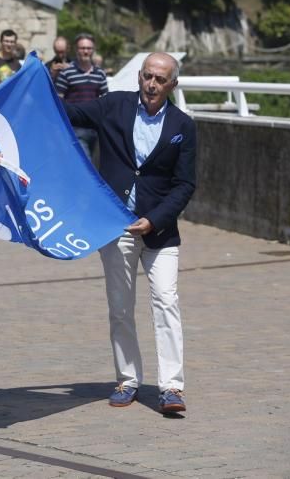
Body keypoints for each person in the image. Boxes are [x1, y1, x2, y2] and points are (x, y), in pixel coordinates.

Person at [63, 52, 196, 415]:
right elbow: (70, 113)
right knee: (120, 307)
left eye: (160, 79)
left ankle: (171, 387)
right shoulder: (114, 106)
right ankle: (127, 379)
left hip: (160, 230)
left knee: (166, 302)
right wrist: (37, 84)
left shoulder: (183, 125)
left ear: (172, 85)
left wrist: (155, 220)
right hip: (116, 225)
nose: (152, 84)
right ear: (140, 76)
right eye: (147, 76)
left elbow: (185, 185)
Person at [55, 34, 109, 160]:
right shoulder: (66, 73)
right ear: (76, 49)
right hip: (75, 129)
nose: (86, 51)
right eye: (82, 48)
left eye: (89, 48)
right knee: (87, 164)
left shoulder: (100, 74)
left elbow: (106, 100)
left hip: (96, 129)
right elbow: (58, 102)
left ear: (93, 50)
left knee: (95, 167)